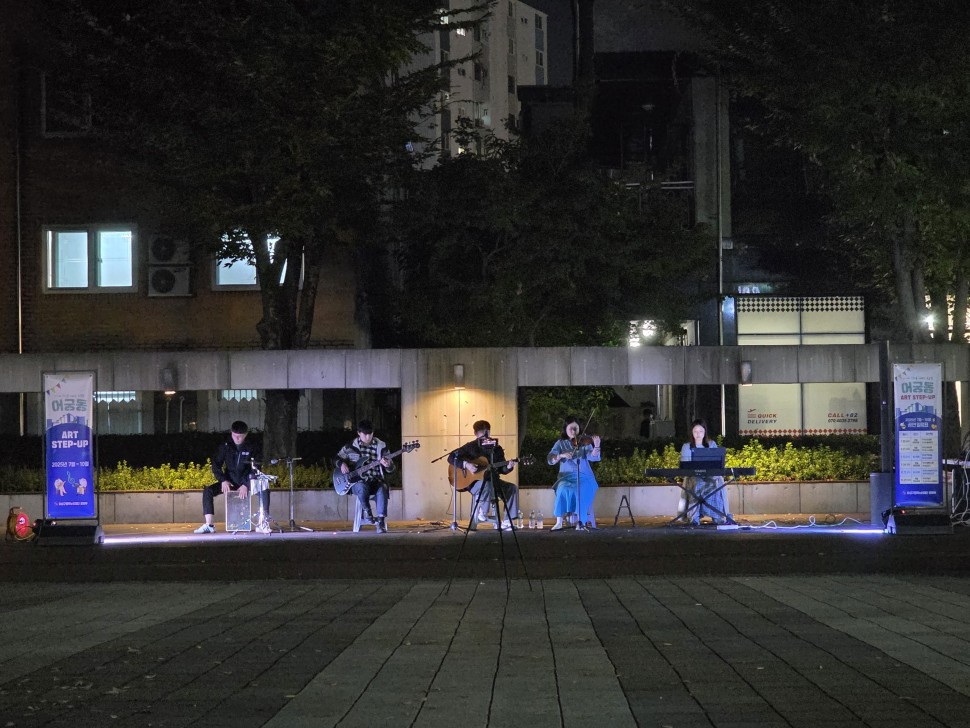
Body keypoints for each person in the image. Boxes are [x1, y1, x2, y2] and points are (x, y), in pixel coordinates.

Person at [194, 420, 270, 534]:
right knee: (208, 491)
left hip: (247, 482)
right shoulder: (226, 446)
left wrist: (246, 484)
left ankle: (263, 523)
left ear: (246, 435)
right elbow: (216, 465)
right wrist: (223, 480)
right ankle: (209, 525)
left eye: (240, 436)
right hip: (230, 482)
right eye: (234, 436)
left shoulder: (253, 447)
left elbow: (256, 468)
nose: (237, 439)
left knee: (264, 490)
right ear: (231, 433)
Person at [447, 419, 519, 530]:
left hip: (494, 481)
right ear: (475, 434)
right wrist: (466, 464)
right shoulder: (471, 446)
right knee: (486, 485)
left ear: (489, 432)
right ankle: (482, 512)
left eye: (487, 432)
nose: (485, 436)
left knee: (512, 488)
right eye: (482, 433)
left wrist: (508, 467)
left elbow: (501, 469)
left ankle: (507, 521)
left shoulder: (497, 448)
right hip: (475, 483)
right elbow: (451, 457)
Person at [336, 419, 394, 533]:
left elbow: (391, 469)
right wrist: (341, 464)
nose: (368, 437)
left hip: (376, 480)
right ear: (359, 433)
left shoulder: (382, 446)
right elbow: (336, 458)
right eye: (365, 434)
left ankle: (381, 522)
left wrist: (388, 465)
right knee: (362, 487)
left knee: (382, 488)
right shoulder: (350, 446)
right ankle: (368, 512)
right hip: (357, 482)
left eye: (370, 434)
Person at [548, 416, 602, 530]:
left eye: (575, 429)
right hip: (565, 477)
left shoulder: (584, 442)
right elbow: (550, 459)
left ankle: (581, 521)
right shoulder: (560, 443)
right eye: (570, 429)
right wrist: (561, 455)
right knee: (562, 489)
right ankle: (559, 522)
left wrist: (596, 446)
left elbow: (593, 457)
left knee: (580, 490)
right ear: (565, 429)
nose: (573, 431)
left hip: (584, 477)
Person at [679, 418, 729, 525]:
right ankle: (694, 517)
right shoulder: (687, 446)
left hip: (710, 475)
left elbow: (716, 463)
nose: (698, 434)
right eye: (695, 431)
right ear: (692, 433)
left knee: (715, 482)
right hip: (693, 476)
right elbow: (685, 466)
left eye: (701, 431)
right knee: (697, 482)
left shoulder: (712, 444)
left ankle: (717, 516)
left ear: (705, 432)